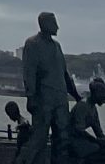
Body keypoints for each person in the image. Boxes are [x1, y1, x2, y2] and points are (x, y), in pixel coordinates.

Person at [21, 14, 80, 164]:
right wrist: (31, 96)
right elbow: (29, 72)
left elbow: (64, 74)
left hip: (60, 99)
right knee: (39, 139)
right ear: (45, 24)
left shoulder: (57, 46)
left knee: (62, 139)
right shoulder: (32, 44)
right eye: (54, 23)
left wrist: (76, 95)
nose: (57, 27)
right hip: (43, 99)